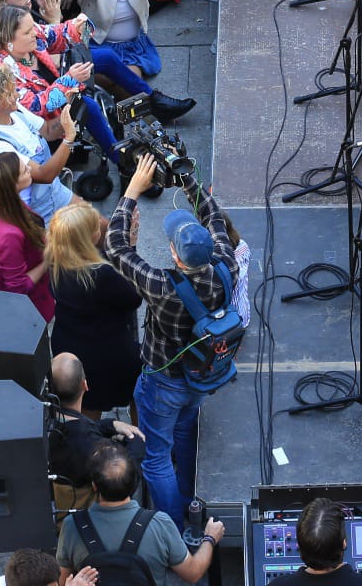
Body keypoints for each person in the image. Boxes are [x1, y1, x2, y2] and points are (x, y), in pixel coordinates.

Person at [103, 154, 234, 525]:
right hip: (202, 373)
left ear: (174, 254)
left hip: (164, 380)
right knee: (187, 430)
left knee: (157, 456)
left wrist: (132, 190)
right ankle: (190, 501)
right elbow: (214, 215)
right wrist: (188, 179)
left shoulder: (163, 286)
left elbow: (115, 247)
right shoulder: (227, 265)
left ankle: (174, 527)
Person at [56, 444, 221, 584]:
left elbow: (61, 581)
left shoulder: (71, 526)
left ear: (94, 486)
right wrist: (210, 538)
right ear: (135, 482)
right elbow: (193, 573)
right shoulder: (160, 524)